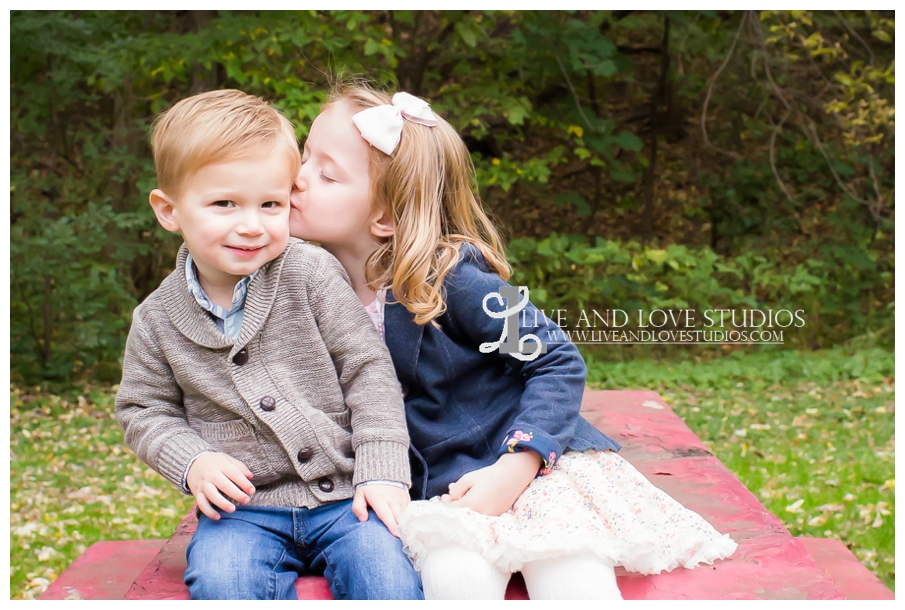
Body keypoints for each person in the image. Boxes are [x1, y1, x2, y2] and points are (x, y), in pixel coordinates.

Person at [289, 82, 738, 600]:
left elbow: (557, 361)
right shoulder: (307, 289)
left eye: (325, 173)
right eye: (304, 155)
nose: (297, 179)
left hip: (526, 466)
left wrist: (517, 464)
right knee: (455, 578)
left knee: (571, 571)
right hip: (442, 488)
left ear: (385, 217)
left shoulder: (450, 281)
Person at [114, 89, 422, 600]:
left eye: (271, 204)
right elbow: (143, 410)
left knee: (386, 573)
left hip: (349, 497)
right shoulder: (156, 318)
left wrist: (384, 472)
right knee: (222, 581)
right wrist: (193, 461)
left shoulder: (310, 272)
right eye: (224, 204)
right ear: (169, 210)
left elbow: (367, 369)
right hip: (244, 512)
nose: (252, 225)